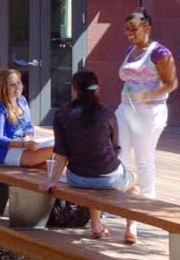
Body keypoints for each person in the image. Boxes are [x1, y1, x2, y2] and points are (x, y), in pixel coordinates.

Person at [45, 70, 136, 241]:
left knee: (93, 184)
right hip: (109, 177)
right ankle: (131, 227)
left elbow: (61, 153)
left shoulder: (61, 115)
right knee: (134, 183)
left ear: (74, 90)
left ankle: (97, 225)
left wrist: (53, 180)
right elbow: (115, 147)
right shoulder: (107, 114)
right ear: (97, 90)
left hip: (77, 179)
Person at [116, 7, 177, 225]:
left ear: (147, 28)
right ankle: (113, 199)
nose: (128, 33)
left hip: (149, 112)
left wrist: (147, 95)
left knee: (143, 157)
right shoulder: (130, 51)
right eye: (126, 29)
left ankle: (146, 204)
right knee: (118, 152)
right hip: (125, 109)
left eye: (133, 29)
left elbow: (172, 83)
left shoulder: (160, 53)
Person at [0, 68, 53, 168]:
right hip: (6, 152)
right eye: (12, 85)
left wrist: (27, 138)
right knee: (56, 150)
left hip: (23, 145)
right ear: (4, 88)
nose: (17, 87)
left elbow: (29, 125)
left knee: (58, 142)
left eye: (18, 82)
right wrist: (23, 145)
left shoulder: (22, 101)